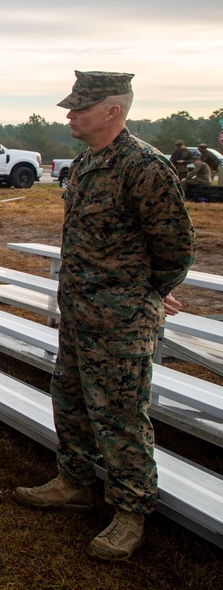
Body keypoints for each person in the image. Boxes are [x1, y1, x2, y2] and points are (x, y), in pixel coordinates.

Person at [13, 71, 195, 562]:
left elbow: (176, 248)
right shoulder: (88, 162)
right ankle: (74, 481)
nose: (69, 113)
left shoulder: (146, 167)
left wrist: (148, 293)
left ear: (113, 110)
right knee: (69, 398)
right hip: (78, 312)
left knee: (119, 415)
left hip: (121, 323)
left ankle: (131, 510)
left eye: (80, 107)